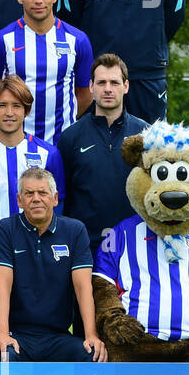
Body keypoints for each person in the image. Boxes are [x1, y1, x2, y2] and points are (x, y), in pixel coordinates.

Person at [0, 167, 105, 362]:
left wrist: (91, 335)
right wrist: (1, 334)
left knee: (93, 355)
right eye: (29, 193)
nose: (36, 198)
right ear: (19, 200)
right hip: (18, 335)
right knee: (0, 356)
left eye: (43, 192)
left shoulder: (74, 230)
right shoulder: (5, 229)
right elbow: (2, 286)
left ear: (55, 198)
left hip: (58, 335)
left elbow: (83, 287)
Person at [0, 0, 92, 143]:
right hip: (16, 143)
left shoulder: (78, 40)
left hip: (63, 144)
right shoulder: (1, 40)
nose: (38, 0)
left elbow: (86, 94)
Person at [57, 53, 148, 251]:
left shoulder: (146, 136)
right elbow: (63, 198)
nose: (108, 89)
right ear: (91, 87)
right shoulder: (71, 137)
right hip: (84, 247)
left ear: (126, 87)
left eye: (114, 82)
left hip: (135, 246)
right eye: (101, 83)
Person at [0, 76, 64, 234]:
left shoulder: (48, 154)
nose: (9, 113)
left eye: (16, 106)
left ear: (26, 111)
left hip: (36, 247)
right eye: (2, 105)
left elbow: (58, 204)